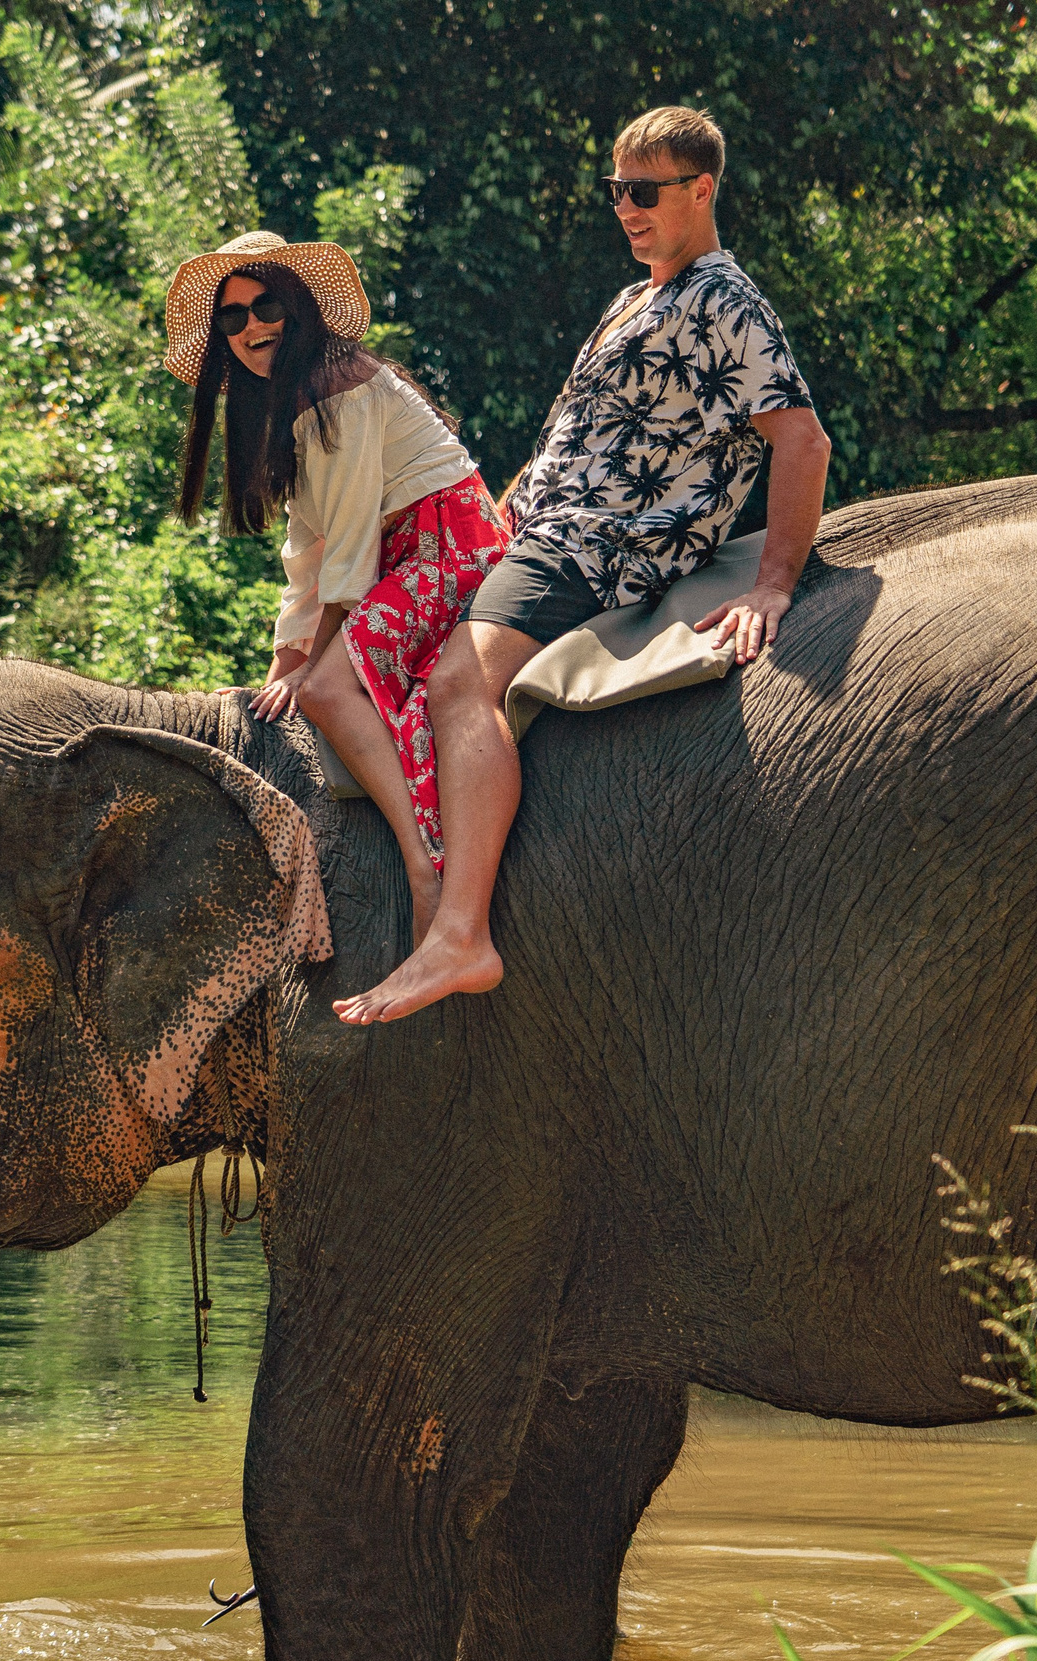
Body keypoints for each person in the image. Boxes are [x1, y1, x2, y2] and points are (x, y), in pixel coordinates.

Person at [333, 106, 833, 1025]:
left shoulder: (725, 300)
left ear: (701, 190)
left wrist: (772, 583)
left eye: (645, 192)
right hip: (535, 527)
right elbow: (570, 436)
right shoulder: (636, 295)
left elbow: (801, 439)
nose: (627, 209)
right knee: (361, 654)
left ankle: (462, 934)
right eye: (616, 192)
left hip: (603, 544)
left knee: (457, 684)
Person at [166, 230, 512, 943]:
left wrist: (311, 670)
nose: (252, 326)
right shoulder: (290, 400)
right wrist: (281, 662)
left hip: (448, 544)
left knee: (325, 692)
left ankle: (423, 866)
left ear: (295, 307)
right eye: (232, 317)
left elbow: (348, 556)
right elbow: (309, 549)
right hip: (397, 555)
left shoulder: (337, 384)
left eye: (265, 306)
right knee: (296, 686)